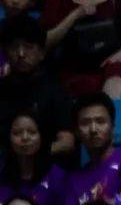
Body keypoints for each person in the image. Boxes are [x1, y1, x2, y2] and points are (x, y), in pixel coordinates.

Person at [0, 17, 75, 156]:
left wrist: (31, 153)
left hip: (44, 164)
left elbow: (67, 142)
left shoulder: (56, 91)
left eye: (28, 47)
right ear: (5, 53)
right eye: (14, 47)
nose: (21, 54)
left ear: (41, 53)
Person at [0, 110, 67, 205]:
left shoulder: (57, 175)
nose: (25, 138)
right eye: (17, 133)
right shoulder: (1, 172)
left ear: (42, 136)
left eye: (32, 132)